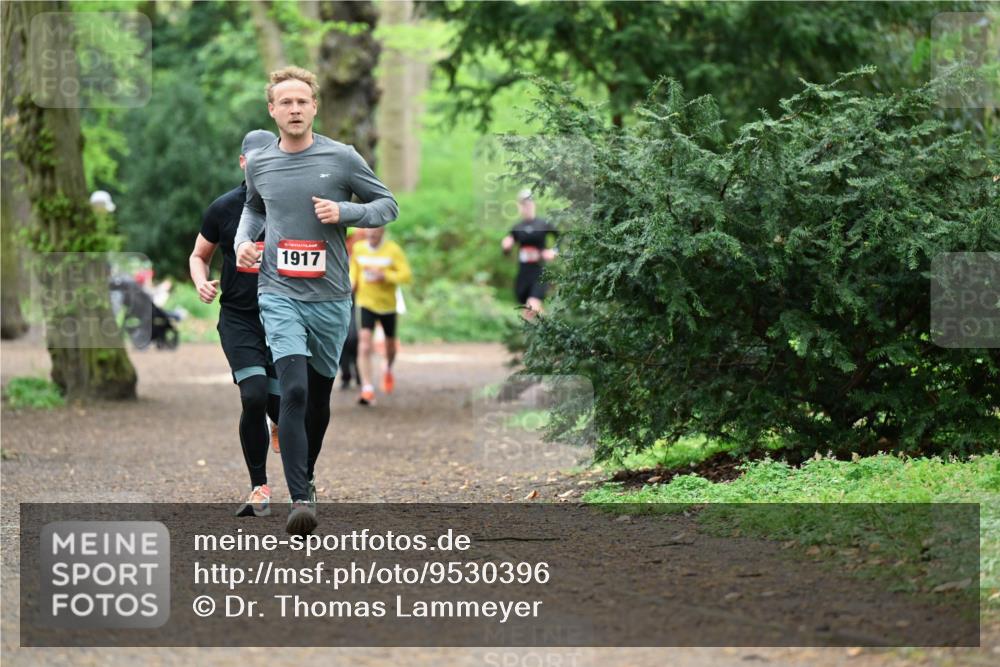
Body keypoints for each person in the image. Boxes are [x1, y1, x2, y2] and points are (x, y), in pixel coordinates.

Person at [234, 66, 398, 536]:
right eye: (285, 102)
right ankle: (299, 499)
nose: (294, 109)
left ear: (314, 107)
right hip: (278, 290)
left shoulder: (342, 158)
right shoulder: (262, 162)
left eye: (302, 101)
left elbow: (387, 204)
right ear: (272, 109)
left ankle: (306, 477)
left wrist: (345, 211)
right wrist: (248, 241)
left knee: (319, 398)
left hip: (330, 296)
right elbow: (253, 206)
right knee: (295, 388)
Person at [189, 129, 281, 518]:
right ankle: (259, 486)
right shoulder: (223, 208)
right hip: (240, 317)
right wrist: (201, 283)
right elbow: (199, 255)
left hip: (285, 314)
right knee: (254, 394)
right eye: (256, 162)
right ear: (244, 163)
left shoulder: (289, 205)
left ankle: (280, 424)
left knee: (283, 402)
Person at [349, 225, 412, 405]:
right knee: (364, 344)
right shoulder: (359, 248)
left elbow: (406, 275)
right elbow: (354, 270)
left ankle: (388, 368)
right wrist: (351, 283)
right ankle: (367, 389)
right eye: (369, 234)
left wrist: (384, 275)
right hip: (365, 303)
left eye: (375, 234)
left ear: (382, 232)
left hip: (388, 305)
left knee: (390, 345)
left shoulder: (393, 250)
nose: (372, 237)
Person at [501, 188, 558, 319]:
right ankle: (550, 331)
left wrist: (554, 251)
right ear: (519, 206)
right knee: (529, 311)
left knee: (531, 305)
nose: (525, 206)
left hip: (539, 273)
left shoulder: (543, 224)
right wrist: (506, 247)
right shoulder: (517, 227)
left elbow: (562, 237)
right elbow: (506, 252)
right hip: (523, 274)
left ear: (533, 204)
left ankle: (550, 332)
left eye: (528, 203)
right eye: (522, 204)